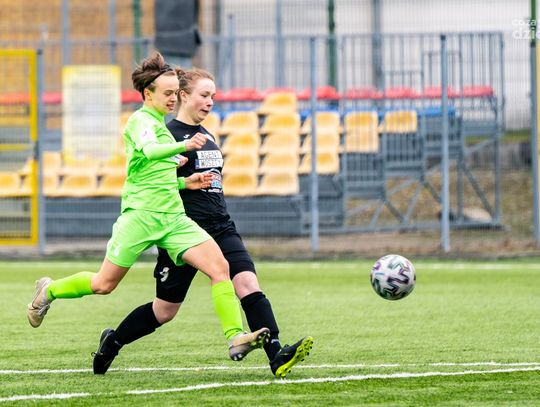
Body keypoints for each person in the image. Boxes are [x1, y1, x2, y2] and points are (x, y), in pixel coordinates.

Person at [27, 52, 269, 369]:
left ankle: (235, 336)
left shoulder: (162, 127)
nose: (172, 99)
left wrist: (186, 182)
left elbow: (154, 175)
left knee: (219, 267)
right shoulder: (140, 121)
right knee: (103, 284)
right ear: (147, 94)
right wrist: (183, 146)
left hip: (173, 218)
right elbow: (151, 152)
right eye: (167, 93)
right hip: (140, 218)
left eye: (175, 93)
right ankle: (49, 291)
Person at [92, 66, 314, 378]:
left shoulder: (206, 136)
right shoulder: (166, 134)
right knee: (164, 310)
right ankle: (113, 342)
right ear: (183, 96)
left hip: (221, 226)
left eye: (213, 96)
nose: (210, 102)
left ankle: (276, 354)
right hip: (183, 230)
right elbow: (152, 182)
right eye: (204, 95)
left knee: (247, 284)